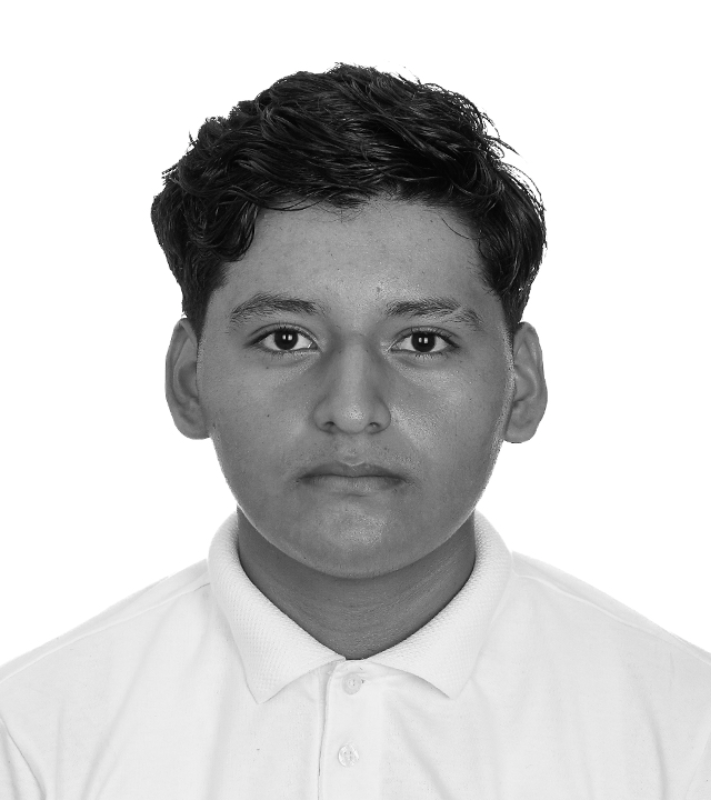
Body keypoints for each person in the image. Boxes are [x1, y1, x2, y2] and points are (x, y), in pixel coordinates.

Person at [1, 63, 709, 799]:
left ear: (520, 385)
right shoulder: (32, 740)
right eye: (285, 339)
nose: (351, 408)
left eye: (423, 341)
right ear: (189, 379)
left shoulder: (685, 734)